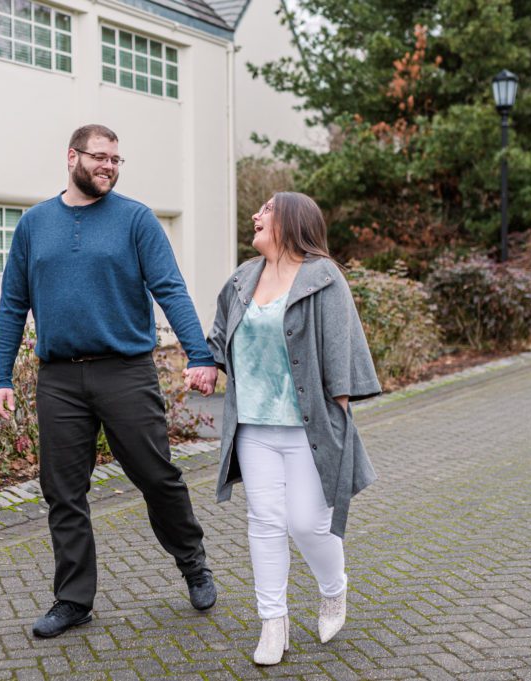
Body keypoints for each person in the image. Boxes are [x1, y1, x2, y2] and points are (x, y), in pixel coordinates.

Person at [0, 124, 220, 639]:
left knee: (157, 477)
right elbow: (12, 305)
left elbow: (171, 290)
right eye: (100, 157)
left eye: (116, 159)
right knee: (63, 492)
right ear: (72, 157)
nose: (109, 167)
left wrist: (200, 353)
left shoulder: (136, 220)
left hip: (125, 371)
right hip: (59, 379)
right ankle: (73, 600)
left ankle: (193, 562)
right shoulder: (34, 224)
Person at [199, 192, 380, 665]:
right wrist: (206, 365)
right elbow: (220, 335)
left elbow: (343, 349)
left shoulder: (324, 278)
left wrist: (339, 417)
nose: (256, 216)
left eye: (267, 210)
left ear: (292, 222)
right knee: (265, 521)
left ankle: (333, 590)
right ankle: (272, 623)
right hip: (253, 425)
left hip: (307, 426)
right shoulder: (242, 278)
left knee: (308, 523)